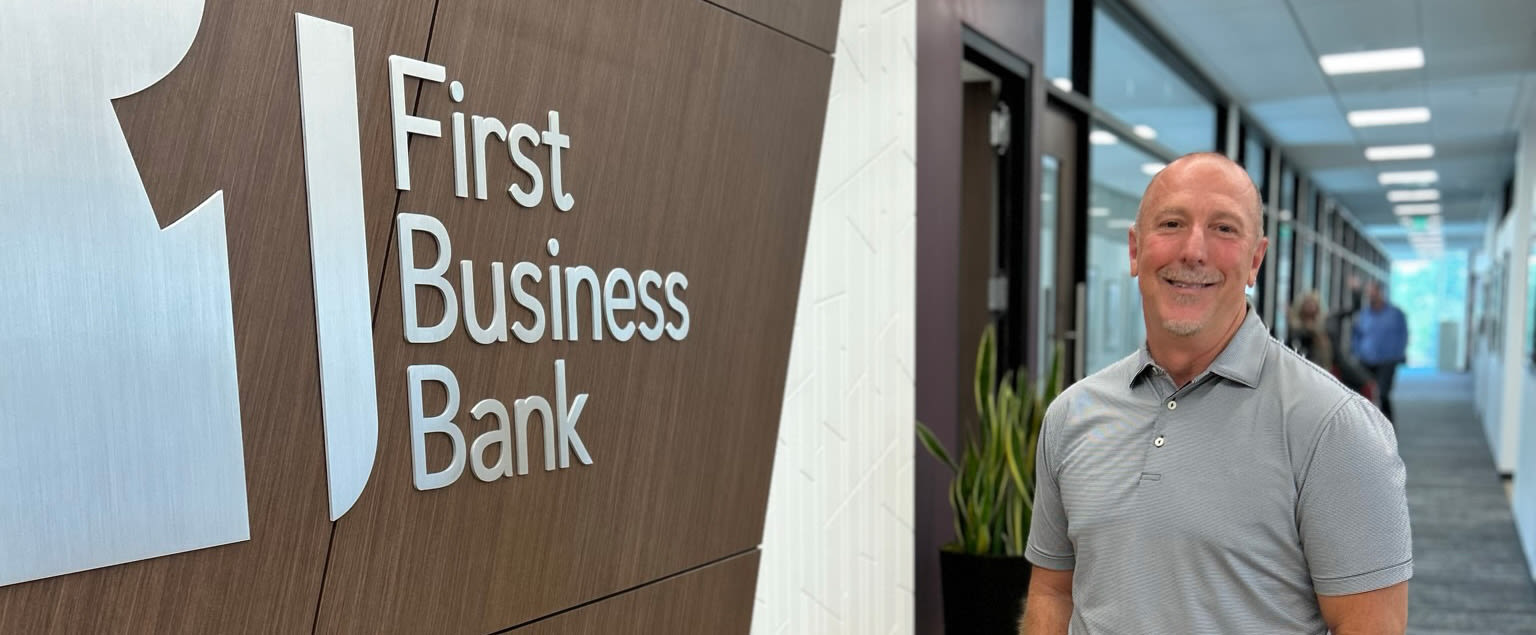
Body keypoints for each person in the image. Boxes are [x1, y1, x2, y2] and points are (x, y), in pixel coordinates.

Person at [1020, 153, 1410, 634]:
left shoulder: (1334, 426)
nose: (1194, 251)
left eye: (1224, 228)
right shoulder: (1073, 414)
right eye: (1171, 223)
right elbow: (1052, 591)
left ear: (1255, 260)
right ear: (1135, 251)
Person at [1352, 281, 1409, 422]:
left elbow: (1403, 335)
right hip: (1366, 359)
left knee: (1383, 394)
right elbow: (1356, 335)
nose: (1370, 296)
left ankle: (1388, 426)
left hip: (1387, 360)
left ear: (1380, 293)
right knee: (1365, 395)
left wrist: (1398, 354)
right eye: (1368, 293)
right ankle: (1369, 428)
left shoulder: (1395, 313)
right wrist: (1356, 351)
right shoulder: (1364, 314)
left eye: (1373, 292)